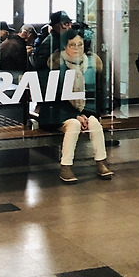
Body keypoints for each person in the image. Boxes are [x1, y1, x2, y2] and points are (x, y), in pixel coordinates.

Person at [38, 28, 111, 183]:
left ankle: (101, 162)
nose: (77, 48)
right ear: (65, 46)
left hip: (83, 112)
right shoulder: (56, 66)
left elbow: (95, 96)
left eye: (80, 44)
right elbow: (51, 99)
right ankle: (66, 166)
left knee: (94, 123)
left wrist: (86, 114)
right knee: (74, 124)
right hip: (56, 115)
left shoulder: (90, 65)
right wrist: (76, 116)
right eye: (72, 45)